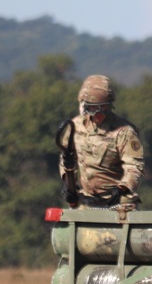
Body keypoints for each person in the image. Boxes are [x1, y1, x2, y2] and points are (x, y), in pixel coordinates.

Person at [58, 75, 145, 209]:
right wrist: (69, 184)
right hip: (87, 199)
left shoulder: (124, 131)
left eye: (104, 108)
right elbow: (66, 159)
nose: (99, 114)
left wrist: (123, 188)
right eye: (93, 109)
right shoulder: (74, 127)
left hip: (117, 199)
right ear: (85, 107)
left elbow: (134, 165)